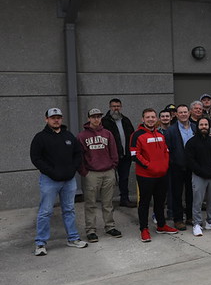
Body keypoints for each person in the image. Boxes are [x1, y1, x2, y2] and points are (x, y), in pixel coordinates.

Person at [30, 107, 87, 255]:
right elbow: (36, 158)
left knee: (69, 210)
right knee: (45, 211)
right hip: (49, 180)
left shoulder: (68, 136)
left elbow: (77, 154)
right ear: (46, 119)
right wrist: (52, 172)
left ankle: (73, 238)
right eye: (53, 117)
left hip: (68, 181)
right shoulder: (40, 137)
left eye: (59, 117)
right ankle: (40, 243)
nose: (56, 120)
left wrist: (72, 170)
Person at [130, 108, 177, 242]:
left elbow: (166, 152)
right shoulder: (136, 135)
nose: (150, 119)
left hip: (162, 175)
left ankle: (161, 225)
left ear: (156, 119)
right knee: (144, 203)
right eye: (148, 117)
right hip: (146, 176)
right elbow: (135, 156)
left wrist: (164, 166)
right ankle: (144, 229)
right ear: (143, 119)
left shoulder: (161, 135)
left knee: (160, 202)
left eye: (153, 117)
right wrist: (150, 166)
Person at [77, 108, 121, 243]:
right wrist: (84, 172)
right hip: (92, 174)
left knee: (108, 203)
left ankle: (110, 226)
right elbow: (79, 157)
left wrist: (113, 166)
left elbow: (114, 151)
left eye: (98, 116)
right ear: (89, 118)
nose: (96, 119)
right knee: (90, 203)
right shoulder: (82, 136)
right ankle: (91, 230)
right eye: (93, 117)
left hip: (108, 172)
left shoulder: (107, 134)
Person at [184, 116, 211, 236]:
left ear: (209, 127)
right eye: (201, 125)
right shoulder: (191, 143)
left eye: (206, 125)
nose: (204, 127)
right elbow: (190, 161)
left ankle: (210, 221)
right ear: (197, 127)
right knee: (197, 201)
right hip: (199, 176)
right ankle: (197, 224)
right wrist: (201, 171)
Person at [164, 104, 196, 231]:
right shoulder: (171, 131)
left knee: (191, 193)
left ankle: (190, 217)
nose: (183, 114)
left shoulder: (195, 127)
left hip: (193, 167)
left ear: (189, 113)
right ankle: (178, 219)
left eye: (185, 112)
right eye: (180, 112)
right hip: (177, 167)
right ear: (176, 115)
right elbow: (168, 150)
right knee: (177, 194)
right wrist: (173, 162)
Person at [101, 98, 136, 207]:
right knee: (109, 180)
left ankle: (124, 199)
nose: (116, 108)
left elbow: (132, 136)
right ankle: (107, 201)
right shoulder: (104, 121)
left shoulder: (126, 120)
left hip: (125, 155)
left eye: (118, 106)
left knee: (124, 178)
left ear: (121, 107)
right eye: (113, 106)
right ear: (109, 107)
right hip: (110, 156)